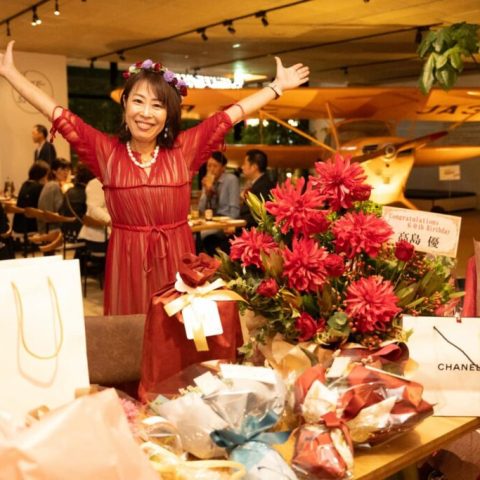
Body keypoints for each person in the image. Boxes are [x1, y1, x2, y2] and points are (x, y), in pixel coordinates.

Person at [0, 40, 309, 315]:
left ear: (168, 115)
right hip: (126, 262)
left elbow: (230, 115)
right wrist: (11, 74)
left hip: (177, 260)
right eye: (138, 101)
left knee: (179, 339)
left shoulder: (184, 149)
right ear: (125, 105)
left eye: (157, 105)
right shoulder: (106, 152)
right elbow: (57, 113)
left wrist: (276, 87)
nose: (146, 113)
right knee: (131, 337)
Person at [198, 151, 240, 255]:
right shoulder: (208, 181)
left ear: (223, 168)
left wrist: (231, 225)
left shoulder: (231, 179)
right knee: (194, 235)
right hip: (212, 222)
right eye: (209, 166)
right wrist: (207, 191)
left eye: (215, 166)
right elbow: (201, 209)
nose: (211, 169)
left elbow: (234, 210)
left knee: (201, 236)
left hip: (226, 223)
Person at [240, 148, 276, 228]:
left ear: (254, 167)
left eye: (245, 164)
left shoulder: (264, 185)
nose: (242, 167)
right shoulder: (259, 183)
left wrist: (236, 227)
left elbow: (259, 215)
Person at [13, 160, 50, 234]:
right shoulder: (40, 188)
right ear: (43, 175)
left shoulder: (25, 184)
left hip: (18, 226)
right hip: (32, 228)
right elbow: (46, 209)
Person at [37, 158, 71, 232]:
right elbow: (61, 210)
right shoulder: (54, 186)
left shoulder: (48, 184)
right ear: (54, 171)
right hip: (52, 229)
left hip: (43, 228)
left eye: (67, 170)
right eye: (62, 169)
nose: (66, 173)